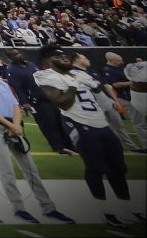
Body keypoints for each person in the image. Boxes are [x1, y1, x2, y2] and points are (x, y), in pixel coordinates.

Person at [34, 45, 141, 227]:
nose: (66, 60)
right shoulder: (45, 76)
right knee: (96, 167)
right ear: (48, 61)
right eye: (60, 58)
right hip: (79, 124)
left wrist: (100, 91)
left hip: (101, 123)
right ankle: (106, 211)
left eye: (67, 57)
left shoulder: (80, 74)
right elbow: (63, 103)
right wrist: (73, 86)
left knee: (118, 167)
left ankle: (126, 209)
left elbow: (102, 98)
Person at [0, 52, 74, 225]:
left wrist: (16, 124)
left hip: (13, 126)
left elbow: (15, 104)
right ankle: (19, 209)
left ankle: (48, 207)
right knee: (6, 169)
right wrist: (11, 126)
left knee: (31, 168)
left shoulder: (1, 82)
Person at [5, 48, 73, 155]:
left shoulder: (31, 64)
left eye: (18, 53)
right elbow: (18, 88)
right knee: (49, 124)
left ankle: (69, 144)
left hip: (51, 97)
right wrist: (24, 102)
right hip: (37, 100)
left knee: (61, 121)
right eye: (14, 55)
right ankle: (57, 146)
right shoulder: (12, 70)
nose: (17, 56)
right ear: (9, 58)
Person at [74, 53, 137, 150]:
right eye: (85, 58)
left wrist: (115, 100)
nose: (88, 60)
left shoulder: (92, 70)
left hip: (107, 100)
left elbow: (107, 86)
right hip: (94, 104)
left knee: (118, 125)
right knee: (104, 127)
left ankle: (131, 147)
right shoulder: (73, 73)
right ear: (77, 60)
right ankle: (112, 147)